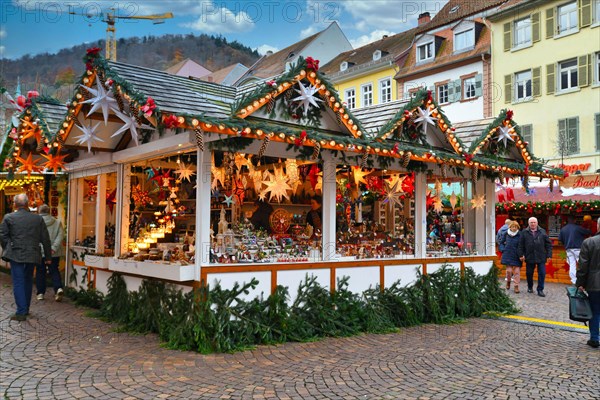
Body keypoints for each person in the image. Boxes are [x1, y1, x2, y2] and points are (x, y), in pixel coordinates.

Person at [0, 193, 52, 321]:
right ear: (28, 204)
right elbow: (45, 238)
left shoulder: (9, 217)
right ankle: (25, 308)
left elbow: (3, 235)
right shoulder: (37, 219)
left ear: (15, 204)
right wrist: (48, 256)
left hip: (16, 253)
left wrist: (8, 248)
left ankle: (21, 311)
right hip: (33, 253)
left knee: (18, 281)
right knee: (28, 280)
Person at [576, 216, 600, 348]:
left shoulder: (589, 242)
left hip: (594, 283)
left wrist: (580, 283)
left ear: (597, 226)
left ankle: (595, 338)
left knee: (595, 311)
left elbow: (583, 266)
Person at [35, 204, 65, 302]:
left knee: (40, 271)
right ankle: (58, 288)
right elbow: (60, 236)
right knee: (54, 270)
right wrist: (53, 248)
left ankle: (40, 293)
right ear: (49, 211)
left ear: (39, 211)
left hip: (40, 251)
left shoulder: (36, 222)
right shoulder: (57, 222)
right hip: (54, 252)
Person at [517, 217, 552, 297]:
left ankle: (540, 289)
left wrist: (549, 255)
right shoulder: (524, 232)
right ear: (529, 223)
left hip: (541, 256)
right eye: (531, 222)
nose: (533, 224)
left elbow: (548, 244)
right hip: (529, 256)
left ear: (537, 223)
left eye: (534, 222)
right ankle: (530, 287)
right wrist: (520, 254)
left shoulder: (542, 231)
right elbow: (520, 245)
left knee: (542, 273)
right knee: (529, 273)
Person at [558, 215, 592, 285]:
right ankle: (585, 280)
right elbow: (588, 232)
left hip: (568, 249)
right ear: (575, 220)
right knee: (582, 264)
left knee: (572, 265)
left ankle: (574, 280)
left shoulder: (563, 229)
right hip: (578, 248)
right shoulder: (578, 228)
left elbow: (560, 240)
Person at [500, 221, 522, 293]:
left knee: (517, 272)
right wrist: (503, 249)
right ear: (510, 227)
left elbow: (522, 245)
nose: (514, 228)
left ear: (517, 227)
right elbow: (501, 242)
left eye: (516, 227)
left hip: (517, 255)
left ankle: (516, 286)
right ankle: (508, 282)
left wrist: (522, 254)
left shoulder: (520, 235)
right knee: (509, 271)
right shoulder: (506, 234)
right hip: (508, 254)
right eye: (513, 227)